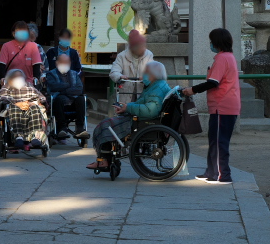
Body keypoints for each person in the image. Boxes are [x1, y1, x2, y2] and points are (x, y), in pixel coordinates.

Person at [86, 60, 170, 172]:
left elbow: (151, 110)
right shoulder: (156, 86)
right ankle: (105, 158)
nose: (142, 76)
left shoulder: (156, 89)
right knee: (108, 123)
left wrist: (128, 108)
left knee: (106, 125)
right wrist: (126, 106)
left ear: (152, 74)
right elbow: (144, 104)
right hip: (144, 119)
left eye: (145, 73)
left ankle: (103, 160)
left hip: (144, 122)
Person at [183, 28, 241, 185]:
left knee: (219, 140)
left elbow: (213, 82)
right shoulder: (227, 57)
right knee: (214, 140)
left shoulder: (223, 59)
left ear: (216, 43)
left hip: (223, 106)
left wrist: (192, 90)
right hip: (223, 106)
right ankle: (212, 171)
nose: (210, 44)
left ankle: (222, 174)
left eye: (211, 41)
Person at [0, 68, 48, 151]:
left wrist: (31, 103)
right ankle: (18, 137)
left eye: (20, 77)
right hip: (15, 107)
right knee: (13, 108)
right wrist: (17, 103)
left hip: (29, 106)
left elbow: (41, 97)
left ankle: (35, 137)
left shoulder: (29, 85)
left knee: (35, 108)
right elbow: (1, 98)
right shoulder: (7, 87)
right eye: (16, 77)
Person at [45, 52, 87, 141]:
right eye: (62, 62)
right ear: (57, 63)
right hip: (59, 102)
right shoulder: (50, 74)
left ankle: (80, 128)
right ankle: (62, 128)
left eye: (67, 62)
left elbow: (79, 89)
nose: (65, 64)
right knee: (58, 99)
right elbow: (53, 87)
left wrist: (63, 90)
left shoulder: (74, 74)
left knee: (81, 98)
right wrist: (70, 86)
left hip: (73, 101)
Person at [109, 29, 154, 105]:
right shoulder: (122, 56)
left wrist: (146, 77)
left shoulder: (148, 55)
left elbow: (152, 71)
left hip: (143, 90)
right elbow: (114, 72)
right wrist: (120, 76)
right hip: (126, 91)